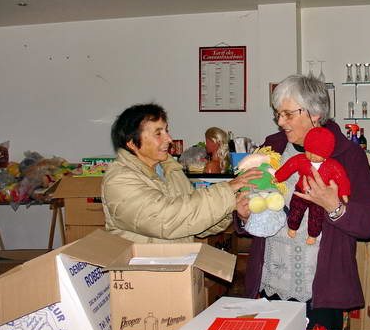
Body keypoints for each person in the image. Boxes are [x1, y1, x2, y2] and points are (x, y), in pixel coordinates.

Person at [235, 74, 370, 330]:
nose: (281, 122)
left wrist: (335, 207)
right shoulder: (272, 147)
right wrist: (245, 217)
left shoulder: (349, 156)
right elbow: (253, 196)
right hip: (271, 284)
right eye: (278, 114)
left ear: (314, 114)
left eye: (288, 114)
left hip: (321, 291)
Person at [102, 103, 261, 243]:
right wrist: (227, 191)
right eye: (158, 133)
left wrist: (232, 206)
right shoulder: (119, 179)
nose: (169, 139)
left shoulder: (170, 169)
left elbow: (195, 223)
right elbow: (167, 219)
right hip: (141, 272)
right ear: (132, 143)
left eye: (166, 131)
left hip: (177, 267)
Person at [274, 127, 351, 245]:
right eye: (308, 151)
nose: (311, 156)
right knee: (295, 209)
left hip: (320, 196)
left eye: (317, 153)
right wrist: (278, 177)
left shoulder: (333, 165)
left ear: (327, 152)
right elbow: (289, 166)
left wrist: (343, 193)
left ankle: (313, 235)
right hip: (301, 191)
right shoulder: (301, 159)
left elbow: (342, 178)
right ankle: (292, 227)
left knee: (316, 216)